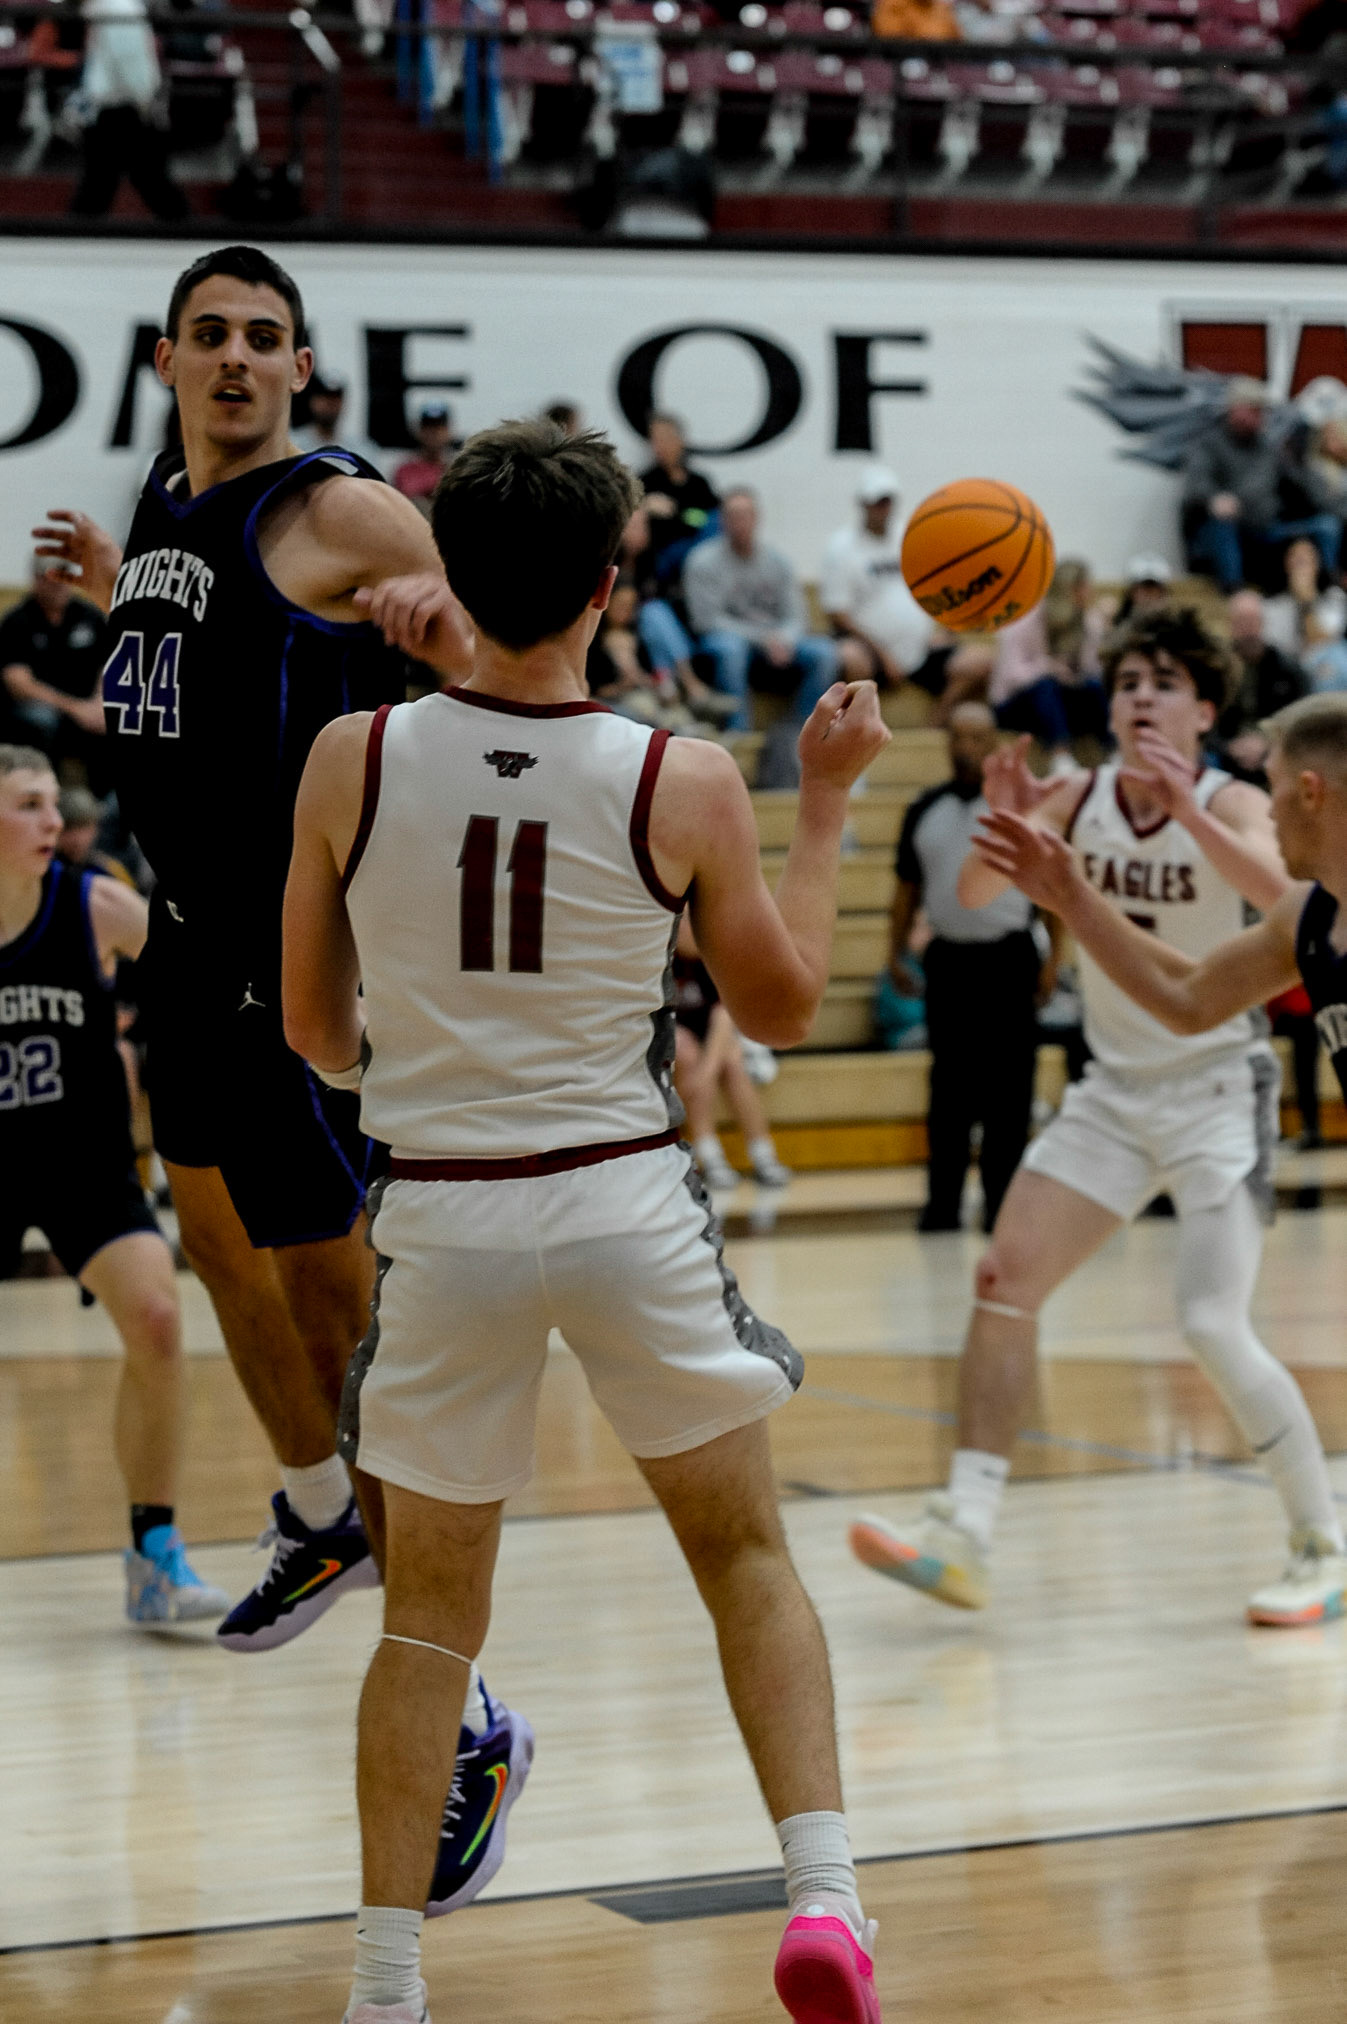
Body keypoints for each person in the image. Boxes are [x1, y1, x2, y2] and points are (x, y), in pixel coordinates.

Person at [282, 419, 891, 2024]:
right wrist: (825, 804)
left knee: (428, 1627)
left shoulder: (352, 757)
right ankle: (823, 1900)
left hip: (445, 1213)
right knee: (743, 1556)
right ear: (609, 586)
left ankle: (384, 1984)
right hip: (621, 1199)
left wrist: (417, 1050)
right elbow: (784, 1005)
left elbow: (314, 1032)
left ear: (447, 570)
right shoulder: (678, 776)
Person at [29, 245, 479, 1661]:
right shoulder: (167, 494)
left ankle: (448, 1685)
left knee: (332, 1300)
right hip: (182, 932)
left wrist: (441, 634)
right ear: (164, 359)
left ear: (300, 366)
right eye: (210, 332)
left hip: (294, 949)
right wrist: (119, 588)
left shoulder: (339, 506)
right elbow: (204, 667)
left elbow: (506, 657)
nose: (235, 355)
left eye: (263, 336)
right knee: (214, 1241)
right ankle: (320, 1513)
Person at [848, 606, 1347, 1627]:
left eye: (1164, 681)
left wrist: (1187, 815)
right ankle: (964, 1528)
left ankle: (1319, 1538)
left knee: (1210, 1321)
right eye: (1126, 682)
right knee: (1004, 1277)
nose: (1141, 698)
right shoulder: (1077, 795)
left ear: (1205, 710)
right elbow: (985, 895)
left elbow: (1282, 900)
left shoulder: (1236, 799)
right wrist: (1007, 830)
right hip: (1115, 1087)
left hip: (1217, 1090)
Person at [0, 744, 228, 1625]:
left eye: (53, 803)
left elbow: (202, 975)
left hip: (79, 1164)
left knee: (160, 1318)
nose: (53, 821)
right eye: (28, 804)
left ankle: (154, 1553)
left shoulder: (92, 902)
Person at [891, 702, 1051, 1233]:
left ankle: (1002, 1206)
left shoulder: (1019, 812)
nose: (965, 748)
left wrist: (1055, 960)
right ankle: (943, 1205)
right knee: (949, 1089)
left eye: (976, 738)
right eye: (957, 737)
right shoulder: (924, 809)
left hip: (1010, 960)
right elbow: (906, 889)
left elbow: (1050, 889)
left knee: (1011, 1089)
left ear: (993, 744)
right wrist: (894, 952)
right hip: (950, 962)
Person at [683, 488, 841, 734]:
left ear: (757, 518)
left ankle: (802, 731)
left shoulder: (778, 562)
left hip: (777, 642)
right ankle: (739, 731)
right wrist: (762, 639)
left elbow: (797, 616)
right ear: (723, 520)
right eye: (733, 516)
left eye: (745, 515)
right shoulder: (702, 561)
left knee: (825, 652)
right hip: (727, 642)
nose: (740, 523)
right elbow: (706, 621)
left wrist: (784, 638)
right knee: (730, 649)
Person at [1183, 377, 1341, 591]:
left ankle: (1330, 587)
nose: (1261, 417)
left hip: (1268, 530)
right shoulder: (1209, 445)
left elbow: (1304, 484)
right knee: (1222, 522)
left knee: (1326, 525)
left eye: (1262, 411)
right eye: (1255, 410)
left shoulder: (1269, 449)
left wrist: (1335, 502)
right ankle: (1233, 590)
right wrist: (1214, 499)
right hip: (1229, 531)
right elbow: (1196, 484)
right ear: (1236, 409)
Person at [673, 917, 791, 1189]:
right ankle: (710, 1158)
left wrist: (706, 1073)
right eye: (684, 922)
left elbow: (723, 1016)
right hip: (678, 1037)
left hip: (718, 1033)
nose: (690, 929)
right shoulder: (661, 960)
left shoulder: (715, 956)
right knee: (685, 1052)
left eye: (694, 922)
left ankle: (763, 1156)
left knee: (732, 1060)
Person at [69, 0, 189, 221]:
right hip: (119, 108)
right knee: (108, 183)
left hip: (123, 109)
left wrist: (144, 103)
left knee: (118, 183)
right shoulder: (111, 9)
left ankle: (187, 230)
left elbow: (131, 63)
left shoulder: (116, 9)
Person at [819, 466, 935, 689]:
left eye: (887, 501)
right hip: (869, 650)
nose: (883, 508)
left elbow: (937, 585)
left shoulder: (909, 536)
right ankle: (859, 710)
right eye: (877, 502)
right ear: (863, 503)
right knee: (850, 657)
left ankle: (939, 713)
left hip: (920, 649)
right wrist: (883, 654)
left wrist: (944, 630)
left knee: (976, 662)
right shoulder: (840, 547)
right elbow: (838, 615)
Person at [0, 558, 109, 788]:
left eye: (64, 576)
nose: (58, 583)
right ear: (36, 579)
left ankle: (104, 800)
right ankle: (44, 790)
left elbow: (109, 665)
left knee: (121, 716)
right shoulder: (17, 621)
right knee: (40, 720)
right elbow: (19, 684)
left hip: (88, 705)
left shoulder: (90, 616)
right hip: (43, 708)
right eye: (51, 577)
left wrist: (100, 701)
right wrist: (76, 708)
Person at [1216, 587, 1307, 781]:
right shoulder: (1217, 668)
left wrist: (1267, 742)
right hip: (1225, 753)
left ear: (1263, 623)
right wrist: (1227, 746)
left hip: (1275, 749)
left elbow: (1300, 716)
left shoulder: (1288, 669)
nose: (1248, 629)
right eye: (1241, 621)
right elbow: (1204, 716)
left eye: (1253, 620)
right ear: (1230, 624)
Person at [638, 411, 720, 581]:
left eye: (666, 438)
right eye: (655, 440)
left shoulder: (699, 484)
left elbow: (705, 519)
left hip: (699, 558)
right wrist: (643, 506)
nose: (660, 446)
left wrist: (676, 513)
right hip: (660, 564)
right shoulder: (643, 482)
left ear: (680, 441)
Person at [392, 404, 460, 511]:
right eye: (428, 427)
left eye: (439, 427)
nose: (434, 432)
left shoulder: (457, 468)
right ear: (419, 431)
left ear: (448, 432)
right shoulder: (405, 470)